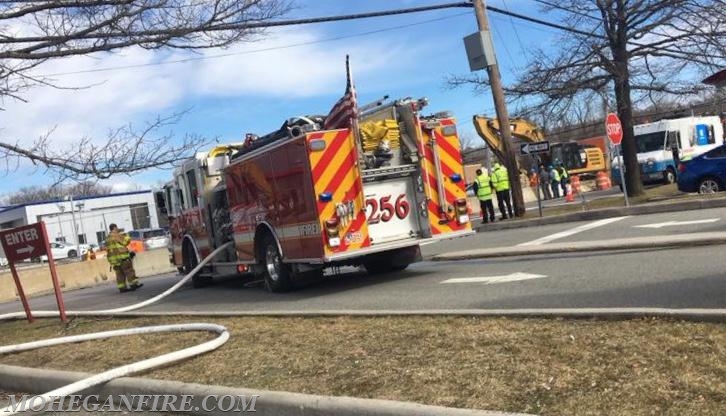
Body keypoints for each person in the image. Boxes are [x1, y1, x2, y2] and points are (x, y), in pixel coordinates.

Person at [106, 224, 143, 293]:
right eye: (116, 228)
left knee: (120, 274)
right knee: (129, 271)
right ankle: (133, 284)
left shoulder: (108, 238)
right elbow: (126, 242)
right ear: (114, 228)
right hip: (122, 258)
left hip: (114, 261)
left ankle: (122, 288)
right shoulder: (116, 235)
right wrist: (125, 234)